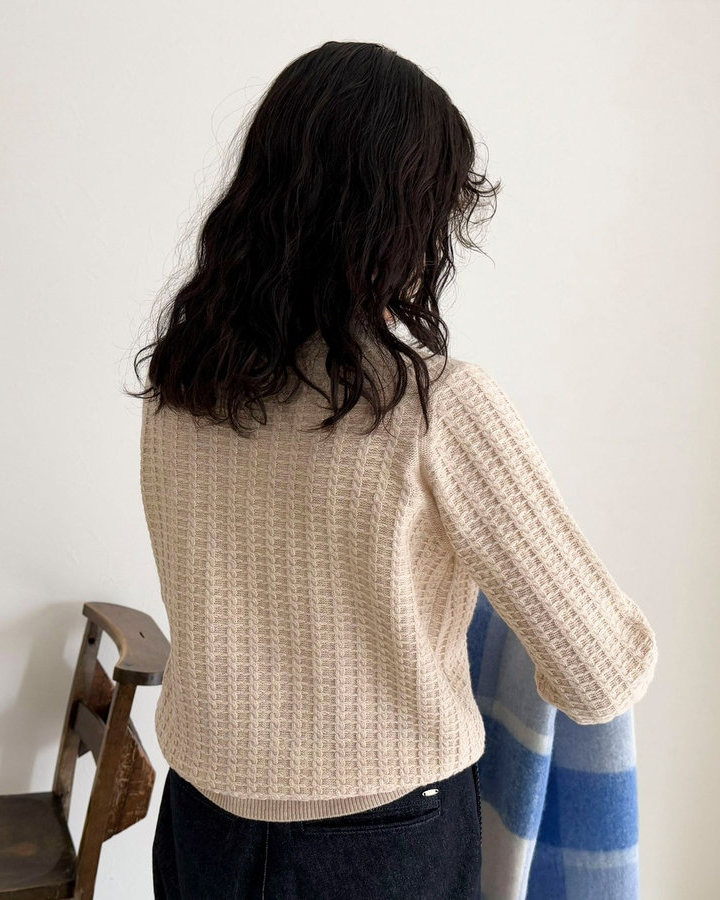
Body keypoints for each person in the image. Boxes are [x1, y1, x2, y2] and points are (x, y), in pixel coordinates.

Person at [129, 40, 658, 900]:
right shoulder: (435, 408)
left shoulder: (179, 392)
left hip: (202, 824)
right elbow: (601, 672)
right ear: (402, 219)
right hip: (387, 840)